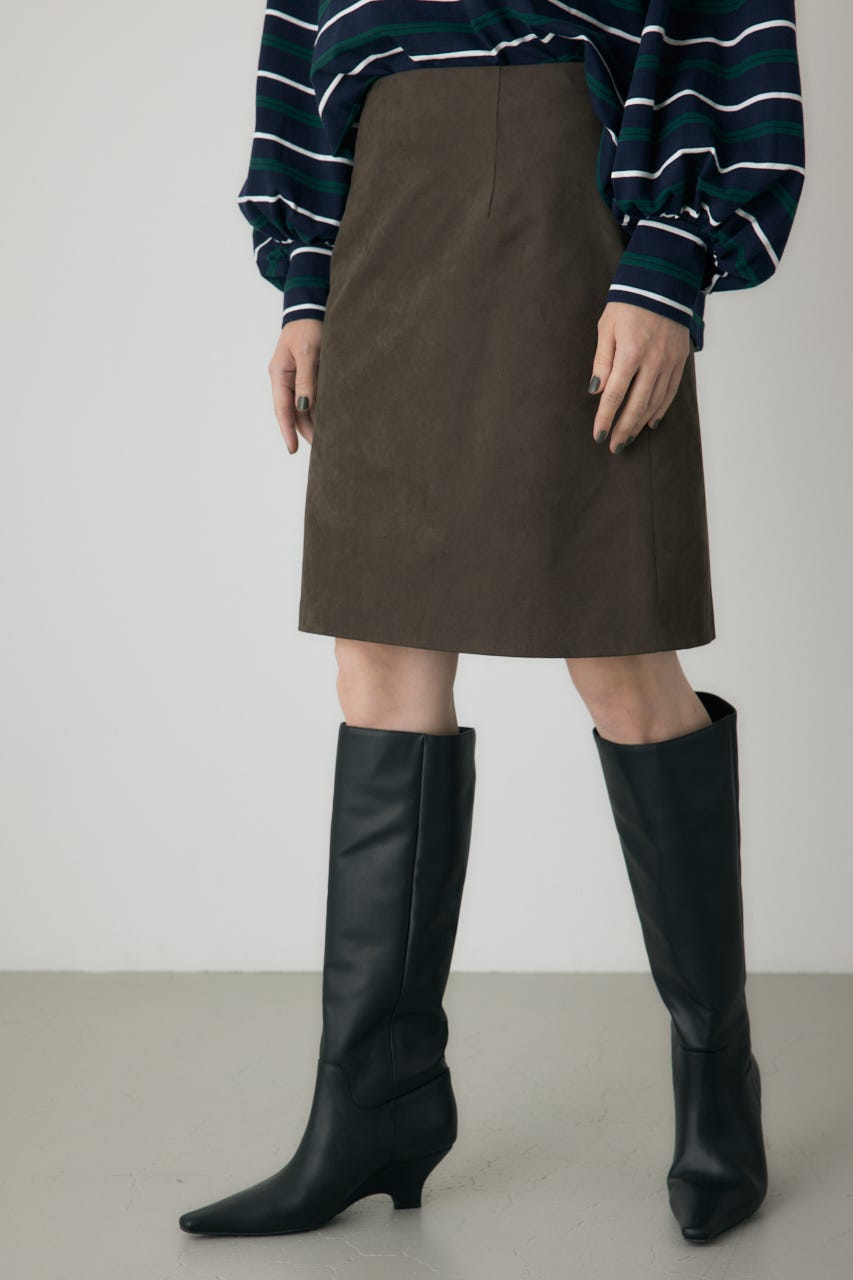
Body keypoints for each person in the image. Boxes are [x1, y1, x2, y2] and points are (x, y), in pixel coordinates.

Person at [178, 0, 806, 1246]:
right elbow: (305, 48)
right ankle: (375, 1098)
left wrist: (669, 258)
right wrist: (305, 286)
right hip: (386, 217)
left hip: (577, 214)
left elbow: (723, 23)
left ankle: (714, 1067)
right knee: (377, 661)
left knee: (620, 662)